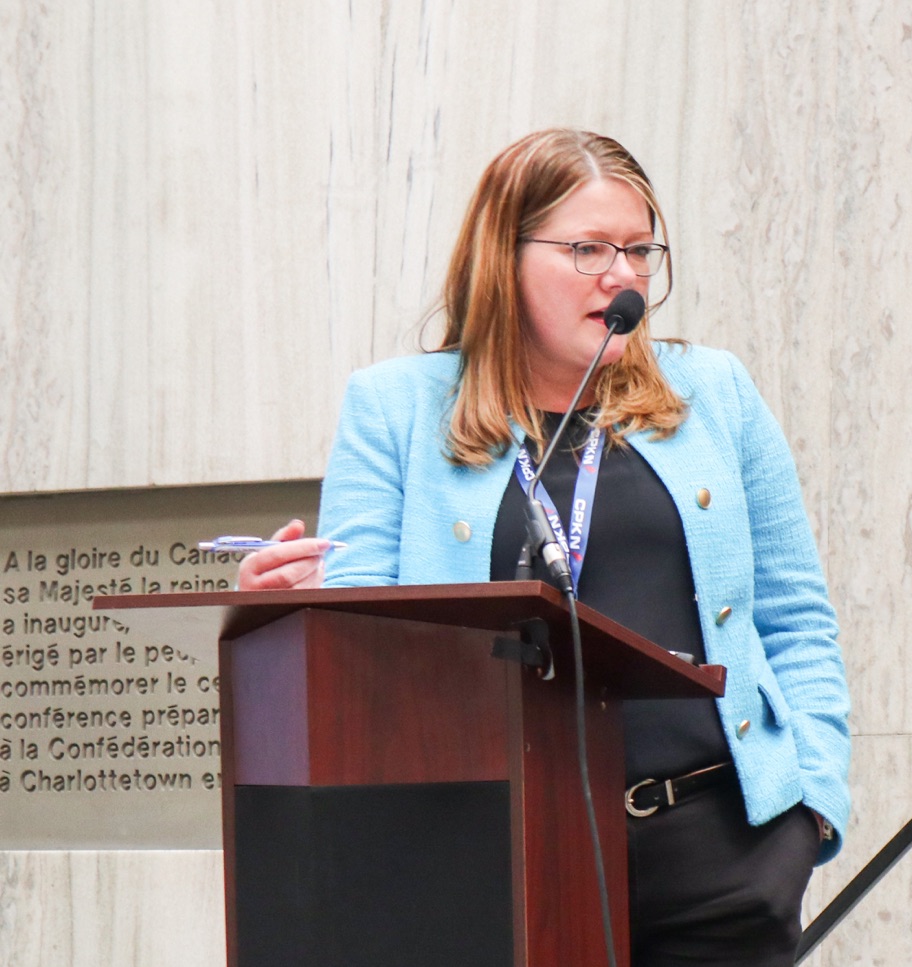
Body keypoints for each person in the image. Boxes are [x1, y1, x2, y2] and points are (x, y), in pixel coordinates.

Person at [239, 128, 850, 966]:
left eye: (639, 250)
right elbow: (361, 644)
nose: (622, 275)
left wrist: (810, 810)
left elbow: (795, 616)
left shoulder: (715, 393)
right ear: (504, 258)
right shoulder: (395, 410)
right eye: (588, 249)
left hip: (716, 855)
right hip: (479, 854)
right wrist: (284, 615)